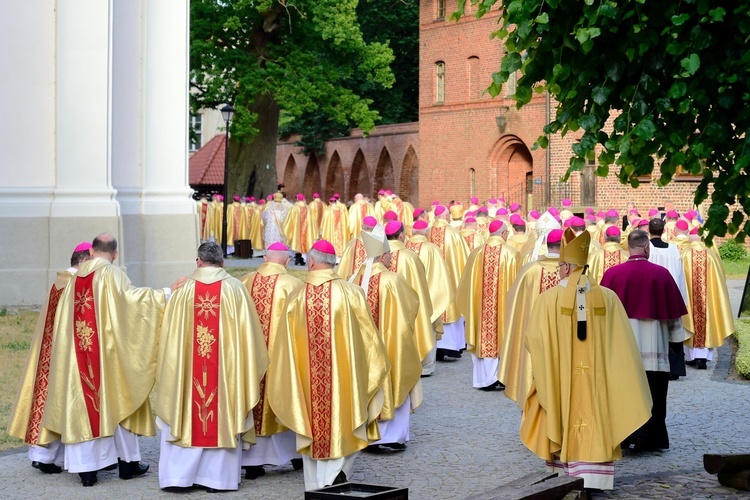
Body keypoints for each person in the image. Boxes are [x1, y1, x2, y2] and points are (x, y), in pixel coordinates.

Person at [521, 229, 652, 491]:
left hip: (562, 382)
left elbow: (534, 342)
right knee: (597, 412)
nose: (559, 270)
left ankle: (565, 475)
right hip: (597, 383)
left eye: (560, 266)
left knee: (560, 409)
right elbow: (622, 345)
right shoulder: (608, 297)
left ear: (568, 266)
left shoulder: (547, 300)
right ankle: (594, 477)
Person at [42, 233, 174, 487]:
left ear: (91, 252)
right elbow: (134, 304)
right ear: (115, 254)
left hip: (78, 359)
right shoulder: (113, 274)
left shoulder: (74, 278)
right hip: (107, 356)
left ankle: (87, 471)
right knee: (122, 396)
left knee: (82, 406)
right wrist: (166, 294)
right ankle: (128, 462)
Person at [267, 240, 389, 491]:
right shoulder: (351, 293)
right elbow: (370, 342)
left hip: (306, 384)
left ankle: (317, 485)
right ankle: (335, 477)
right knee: (345, 419)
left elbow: (284, 349)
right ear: (333, 262)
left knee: (311, 426)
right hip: (343, 383)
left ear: (310, 262)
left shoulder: (296, 296)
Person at [156, 242, 269, 492]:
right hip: (224, 377)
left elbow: (169, 341)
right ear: (222, 262)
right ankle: (218, 480)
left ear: (198, 261)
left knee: (187, 408)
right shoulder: (236, 290)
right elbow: (252, 342)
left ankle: (179, 478)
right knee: (221, 412)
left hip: (188, 377)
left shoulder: (184, 290)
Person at [600, 230, 688, 452]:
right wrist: (676, 341)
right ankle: (653, 439)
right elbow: (673, 315)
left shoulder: (613, 275)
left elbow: (601, 317)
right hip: (654, 352)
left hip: (622, 353)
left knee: (623, 395)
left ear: (627, 248)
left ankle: (624, 436)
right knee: (655, 396)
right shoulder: (661, 274)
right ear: (647, 247)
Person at [9, 242, 92, 474]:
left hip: (49, 348)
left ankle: (41, 455)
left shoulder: (60, 279)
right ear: (84, 260)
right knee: (61, 402)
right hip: (67, 351)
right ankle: (59, 457)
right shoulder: (77, 283)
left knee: (45, 399)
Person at [351, 225, 423, 451]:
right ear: (382, 256)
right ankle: (391, 437)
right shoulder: (392, 279)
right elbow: (411, 308)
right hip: (391, 345)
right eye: (390, 254)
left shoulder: (355, 278)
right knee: (394, 379)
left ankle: (369, 433)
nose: (392, 257)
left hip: (365, 349)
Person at [239, 242, 303, 478]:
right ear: (287, 261)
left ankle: (252, 462)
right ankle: (294, 455)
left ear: (264, 258)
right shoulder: (294, 285)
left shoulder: (245, 281)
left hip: (251, 357)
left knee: (254, 398)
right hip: (281, 359)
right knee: (285, 398)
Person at [499, 229, 562, 408]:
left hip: (532, 335)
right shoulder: (572, 272)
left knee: (530, 370)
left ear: (546, 245)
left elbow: (513, 299)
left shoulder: (530, 270)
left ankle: (529, 419)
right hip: (561, 338)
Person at [457, 220, 519, 391]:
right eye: (506, 233)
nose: (507, 235)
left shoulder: (477, 254)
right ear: (503, 233)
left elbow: (467, 284)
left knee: (483, 333)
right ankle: (498, 376)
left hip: (480, 307)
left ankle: (483, 379)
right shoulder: (511, 254)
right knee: (501, 333)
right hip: (503, 307)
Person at [681, 233, 735, 369]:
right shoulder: (711, 255)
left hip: (690, 298)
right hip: (707, 299)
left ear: (689, 240)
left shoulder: (684, 254)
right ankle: (703, 357)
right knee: (707, 321)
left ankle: (690, 357)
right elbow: (720, 278)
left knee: (690, 321)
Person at [647, 217, 689, 380]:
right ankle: (674, 369)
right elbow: (680, 275)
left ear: (649, 230)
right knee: (673, 333)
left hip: (652, 295)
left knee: (654, 332)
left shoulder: (647, 248)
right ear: (664, 230)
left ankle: (656, 367)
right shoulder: (673, 250)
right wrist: (682, 298)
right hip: (671, 294)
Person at [430, 205, 470, 360]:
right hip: (452, 281)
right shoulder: (453, 234)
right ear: (446, 217)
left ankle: (436, 346)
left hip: (432, 283)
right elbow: (465, 259)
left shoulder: (427, 233)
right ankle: (452, 346)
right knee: (451, 307)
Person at [282, 194, 316, 266]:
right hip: (307, 230)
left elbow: (289, 220)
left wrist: (286, 227)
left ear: (297, 199)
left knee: (296, 241)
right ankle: (303, 258)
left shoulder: (294, 208)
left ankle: (298, 256)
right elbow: (313, 220)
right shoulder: (308, 208)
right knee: (306, 242)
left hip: (297, 230)